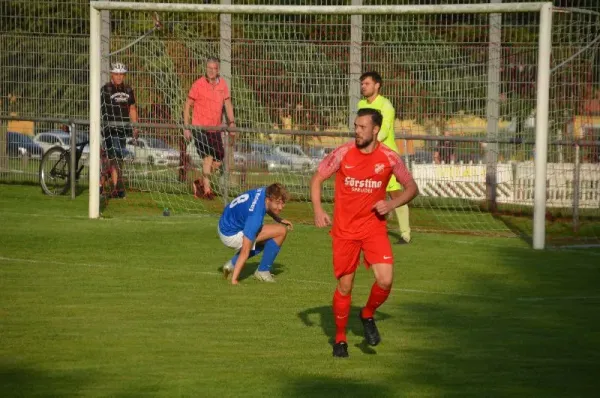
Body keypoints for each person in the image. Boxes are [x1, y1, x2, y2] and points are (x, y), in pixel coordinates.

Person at [310, 108, 419, 358]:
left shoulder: (390, 158)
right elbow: (316, 179)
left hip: (373, 229)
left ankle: (367, 313)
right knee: (345, 286)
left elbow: (412, 187)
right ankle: (340, 339)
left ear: (376, 129)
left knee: (385, 280)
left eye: (362, 127)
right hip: (345, 231)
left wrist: (392, 204)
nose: (357, 131)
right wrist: (318, 209)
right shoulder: (343, 153)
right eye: (356, 126)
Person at [358, 71, 411, 244]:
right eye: (362, 84)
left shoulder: (386, 105)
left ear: (377, 85)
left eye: (366, 83)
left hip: (386, 157)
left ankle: (405, 234)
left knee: (395, 194)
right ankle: (365, 228)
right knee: (365, 190)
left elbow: (383, 131)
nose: (363, 86)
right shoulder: (361, 104)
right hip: (368, 155)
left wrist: (369, 144)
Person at [218, 183, 292, 285]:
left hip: (225, 223)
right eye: (277, 203)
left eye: (282, 203)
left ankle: (230, 265)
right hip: (230, 235)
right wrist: (234, 281)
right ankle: (262, 272)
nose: (280, 207)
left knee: (267, 238)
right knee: (281, 231)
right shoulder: (255, 218)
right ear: (268, 199)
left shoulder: (265, 191)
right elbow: (245, 251)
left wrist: (278, 218)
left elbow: (266, 207)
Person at [184, 57, 236, 199]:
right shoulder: (198, 84)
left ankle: (199, 183)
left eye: (214, 68)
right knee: (208, 157)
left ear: (218, 70)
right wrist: (187, 127)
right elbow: (188, 104)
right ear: (206, 69)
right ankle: (207, 190)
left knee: (218, 160)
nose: (212, 71)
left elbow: (228, 104)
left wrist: (231, 122)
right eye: (209, 68)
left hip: (215, 128)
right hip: (199, 127)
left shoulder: (223, 85)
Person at [101, 62, 139, 198]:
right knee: (113, 157)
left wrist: (135, 126)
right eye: (116, 74)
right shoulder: (106, 89)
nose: (119, 77)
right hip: (110, 129)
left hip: (122, 129)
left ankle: (107, 185)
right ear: (112, 74)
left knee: (117, 158)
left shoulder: (128, 90)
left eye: (121, 74)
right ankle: (115, 187)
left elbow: (132, 108)